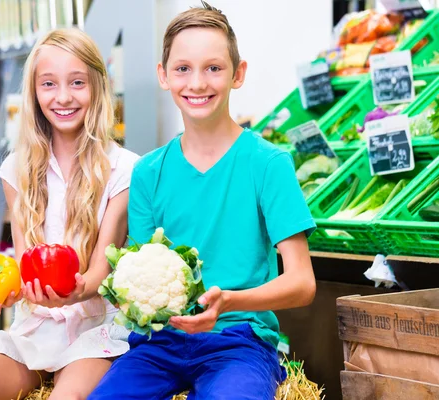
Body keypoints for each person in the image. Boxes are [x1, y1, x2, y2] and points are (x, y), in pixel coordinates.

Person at [88, 2, 317, 400]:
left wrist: (229, 300)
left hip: (239, 341)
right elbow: (141, 276)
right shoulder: (148, 173)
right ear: (163, 76)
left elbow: (302, 283)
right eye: (182, 69)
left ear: (238, 73)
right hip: (160, 346)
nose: (197, 83)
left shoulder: (268, 164)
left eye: (214, 68)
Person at [0, 28, 139, 400]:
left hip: (95, 331)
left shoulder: (124, 169)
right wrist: (8, 290)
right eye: (48, 84)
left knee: (68, 398)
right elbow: (26, 261)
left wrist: (74, 291)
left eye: (77, 82)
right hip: (33, 332)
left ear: (97, 87)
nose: (63, 97)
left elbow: (100, 271)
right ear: (33, 92)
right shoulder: (17, 169)